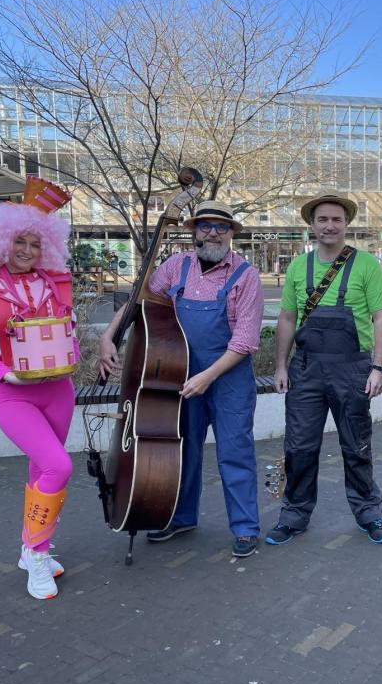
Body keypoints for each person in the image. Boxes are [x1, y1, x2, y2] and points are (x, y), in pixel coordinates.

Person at [98, 201, 264, 558]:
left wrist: (208, 376)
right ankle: (182, 517)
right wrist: (108, 336)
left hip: (228, 378)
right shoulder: (177, 267)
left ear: (232, 233)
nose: (213, 233)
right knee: (182, 450)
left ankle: (246, 527)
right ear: (194, 230)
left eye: (221, 227)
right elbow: (139, 301)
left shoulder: (245, 276)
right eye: (205, 225)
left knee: (235, 452)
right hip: (179, 373)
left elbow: (245, 342)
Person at [0, 177, 76, 600]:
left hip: (59, 389)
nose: (26, 251)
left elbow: (67, 330)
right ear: (2, 242)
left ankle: (30, 548)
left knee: (42, 471)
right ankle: (37, 554)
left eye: (34, 243)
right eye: (19, 242)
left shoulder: (56, 282)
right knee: (59, 466)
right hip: (12, 393)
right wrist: (6, 374)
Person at [267, 191, 382, 546]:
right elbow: (288, 318)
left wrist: (378, 367)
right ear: (312, 225)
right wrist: (281, 366)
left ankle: (368, 512)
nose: (329, 225)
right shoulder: (297, 267)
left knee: (357, 446)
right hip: (305, 370)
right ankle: (294, 515)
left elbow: (381, 318)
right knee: (300, 447)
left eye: (336, 219)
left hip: (352, 369)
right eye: (322, 219)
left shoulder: (367, 265)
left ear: (346, 224)